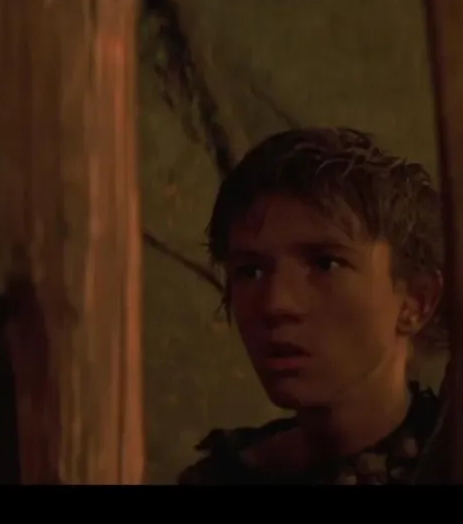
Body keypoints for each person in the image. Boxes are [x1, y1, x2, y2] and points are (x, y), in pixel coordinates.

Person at [179, 128, 447, 485]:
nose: (276, 304)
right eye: (250, 271)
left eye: (326, 264)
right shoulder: (223, 479)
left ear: (416, 300)